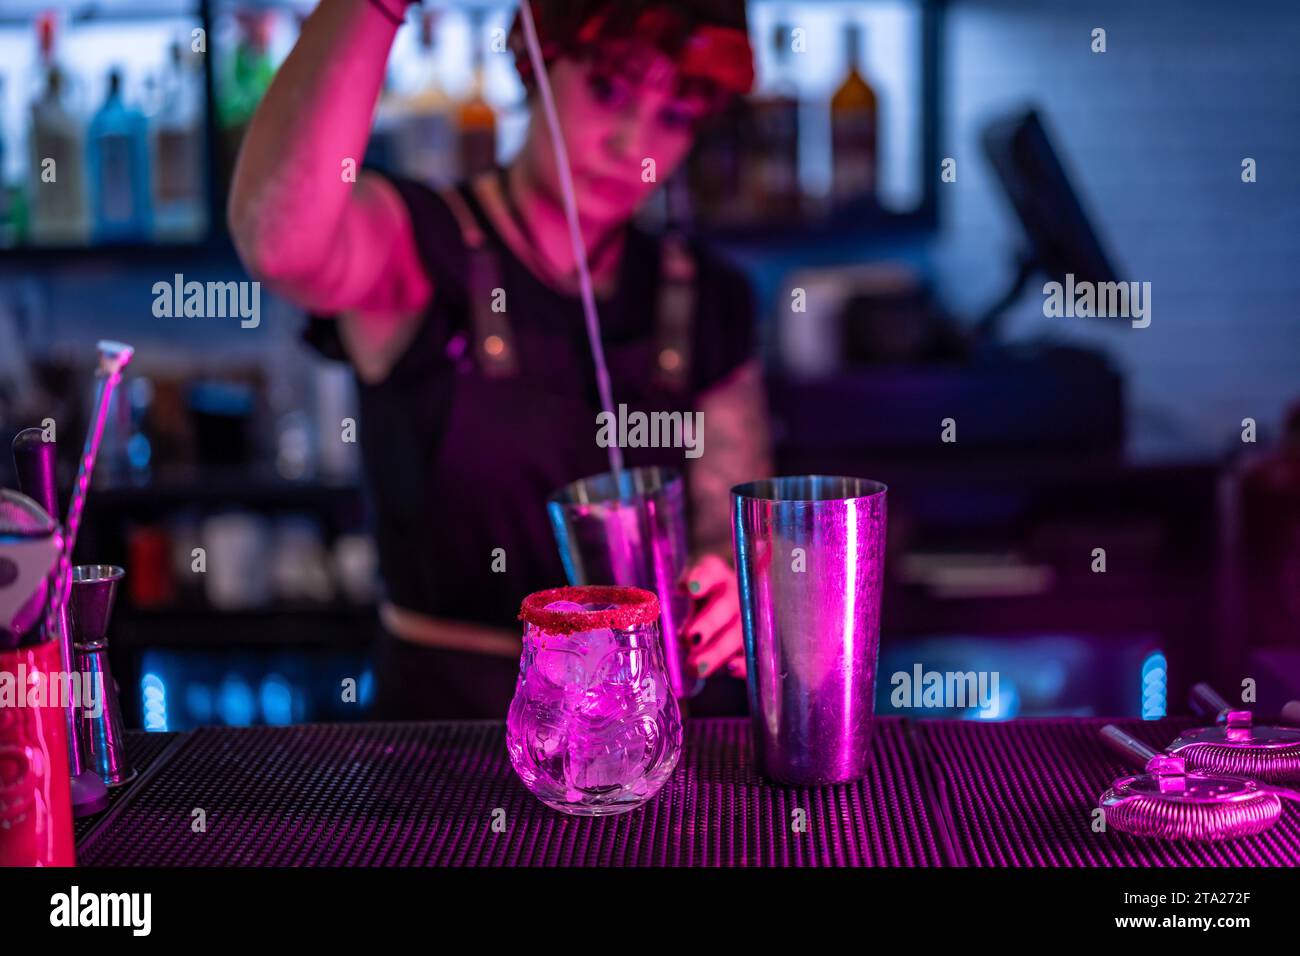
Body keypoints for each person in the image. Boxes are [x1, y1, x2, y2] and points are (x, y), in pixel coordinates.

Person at [228, 0, 771, 718]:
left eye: (673, 116)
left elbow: (729, 514)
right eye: (608, 91)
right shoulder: (420, 251)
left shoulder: (704, 294)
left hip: (647, 749)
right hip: (439, 752)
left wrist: (729, 578)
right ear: (537, 66)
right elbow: (280, 242)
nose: (630, 143)